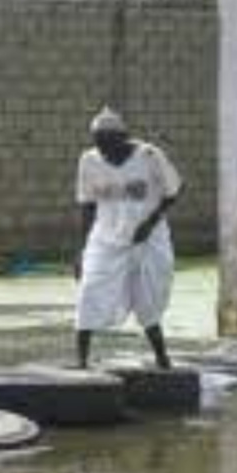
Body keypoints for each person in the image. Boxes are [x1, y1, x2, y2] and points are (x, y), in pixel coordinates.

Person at [74, 106, 183, 369]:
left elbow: (174, 190)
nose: (103, 150)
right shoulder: (89, 160)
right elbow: (87, 205)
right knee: (89, 293)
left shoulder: (149, 155)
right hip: (106, 240)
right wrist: (81, 249)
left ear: (122, 138)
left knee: (148, 302)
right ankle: (81, 362)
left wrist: (149, 222)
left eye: (108, 143)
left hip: (147, 241)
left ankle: (162, 358)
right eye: (98, 143)